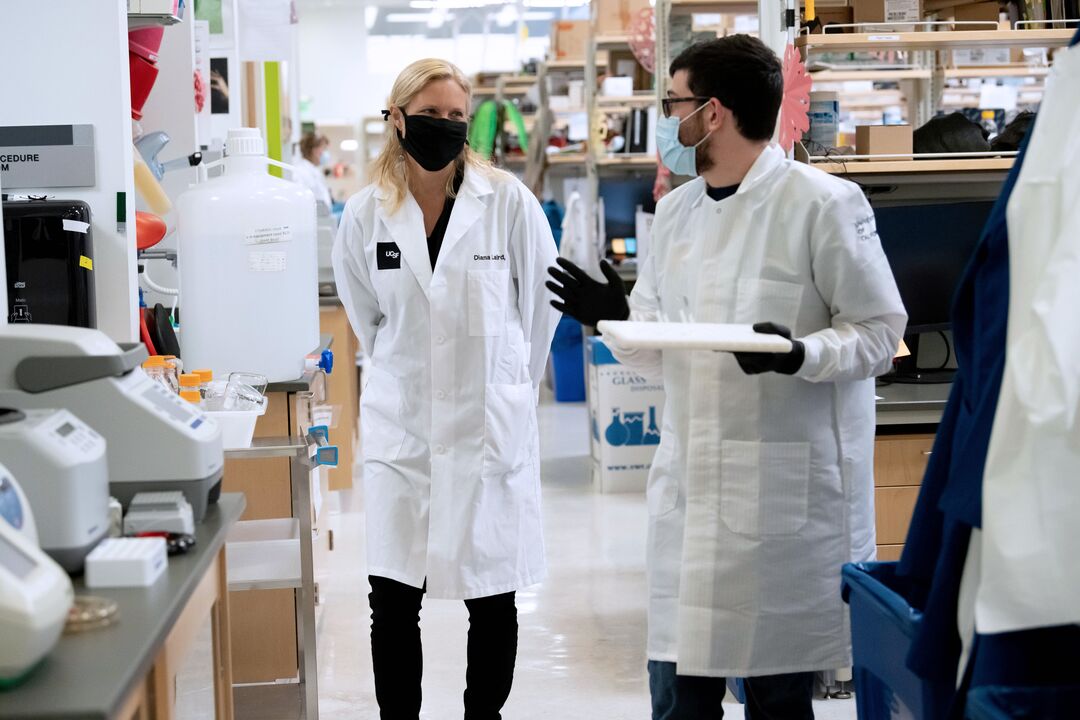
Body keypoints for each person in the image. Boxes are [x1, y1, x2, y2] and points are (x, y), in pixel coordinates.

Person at [547, 36, 907, 719]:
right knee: (681, 702)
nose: (666, 118)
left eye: (672, 101)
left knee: (776, 701)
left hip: (781, 508)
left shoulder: (824, 205)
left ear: (711, 113)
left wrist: (797, 354)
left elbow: (878, 334)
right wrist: (616, 319)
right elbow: (660, 347)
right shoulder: (680, 212)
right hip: (690, 496)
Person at [331, 58, 559, 720]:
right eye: (434, 115)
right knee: (393, 598)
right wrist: (411, 375)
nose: (448, 127)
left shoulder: (506, 202)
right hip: (403, 433)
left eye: (458, 117)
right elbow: (367, 320)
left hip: (488, 427)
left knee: (492, 595)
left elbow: (541, 311)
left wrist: (509, 388)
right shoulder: (364, 214)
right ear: (398, 118)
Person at [295, 131, 334, 210]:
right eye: (324, 148)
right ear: (314, 150)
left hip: (323, 216)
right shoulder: (300, 172)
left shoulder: (314, 170)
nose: (326, 153)